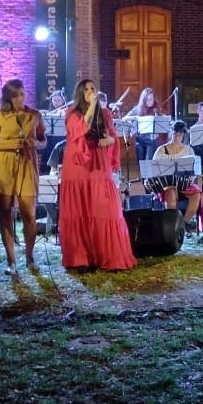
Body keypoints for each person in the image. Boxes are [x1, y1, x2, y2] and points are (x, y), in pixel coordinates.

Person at [60, 79, 137, 272]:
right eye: (86, 89)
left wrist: (108, 140)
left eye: (92, 88)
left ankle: (109, 256)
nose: (90, 91)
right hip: (78, 167)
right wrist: (93, 105)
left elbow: (113, 138)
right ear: (80, 93)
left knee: (106, 209)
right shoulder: (71, 113)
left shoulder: (105, 114)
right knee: (80, 211)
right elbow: (82, 127)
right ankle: (81, 258)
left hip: (99, 165)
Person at [0, 79, 46, 276]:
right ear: (8, 98)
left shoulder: (35, 115)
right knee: (6, 213)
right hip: (3, 166)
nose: (20, 99)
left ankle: (30, 257)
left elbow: (43, 139)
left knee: (30, 215)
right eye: (15, 96)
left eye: (22, 94)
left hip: (27, 165)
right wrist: (13, 144)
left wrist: (37, 144)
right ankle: (11, 260)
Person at [152, 120, 203, 232]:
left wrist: (192, 177)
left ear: (183, 135)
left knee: (196, 193)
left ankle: (183, 224)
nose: (177, 136)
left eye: (180, 134)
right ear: (171, 133)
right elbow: (154, 169)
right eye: (175, 133)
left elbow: (194, 171)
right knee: (170, 193)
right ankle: (172, 225)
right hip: (167, 184)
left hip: (184, 184)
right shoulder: (161, 150)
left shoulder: (189, 150)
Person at [126, 87, 164, 161]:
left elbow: (164, 119)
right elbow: (125, 118)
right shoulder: (138, 109)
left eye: (151, 99)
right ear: (143, 100)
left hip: (152, 141)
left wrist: (159, 115)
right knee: (141, 164)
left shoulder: (156, 109)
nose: (149, 101)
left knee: (148, 164)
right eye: (147, 99)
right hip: (139, 140)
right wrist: (136, 118)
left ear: (154, 99)